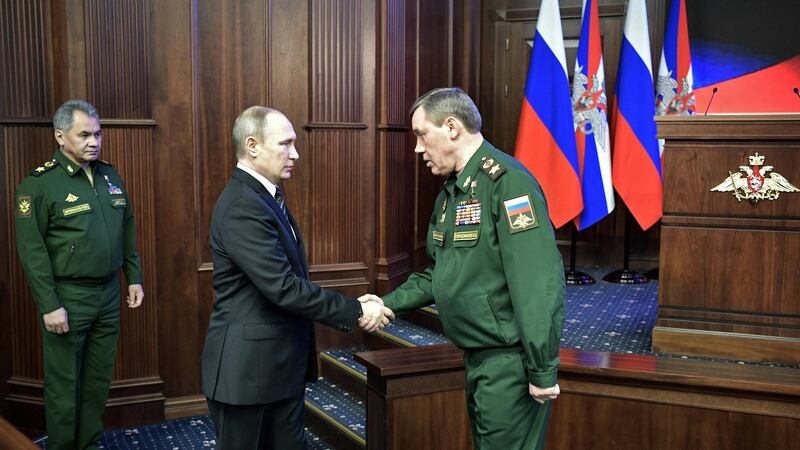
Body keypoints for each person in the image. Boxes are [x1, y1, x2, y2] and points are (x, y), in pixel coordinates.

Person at [381, 87, 565, 450]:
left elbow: (536, 282)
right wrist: (388, 303)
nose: (417, 148)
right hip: (478, 357)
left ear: (451, 127)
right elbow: (443, 272)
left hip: (508, 361)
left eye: (421, 134)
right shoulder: (454, 191)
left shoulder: (508, 183)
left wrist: (542, 367)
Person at [201, 106, 392, 450]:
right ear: (253, 145)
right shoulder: (243, 205)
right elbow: (283, 287)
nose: (295, 154)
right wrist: (355, 310)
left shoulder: (265, 196)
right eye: (286, 144)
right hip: (248, 375)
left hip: (276, 368)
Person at [14, 99, 145, 450]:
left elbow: (126, 229)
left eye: (98, 134)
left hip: (109, 293)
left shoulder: (109, 175)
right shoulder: (38, 186)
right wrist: (49, 304)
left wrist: (134, 276)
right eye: (84, 134)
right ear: (60, 136)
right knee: (63, 384)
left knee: (97, 380)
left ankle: (88, 444)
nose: (94, 141)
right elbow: (32, 252)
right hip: (67, 297)